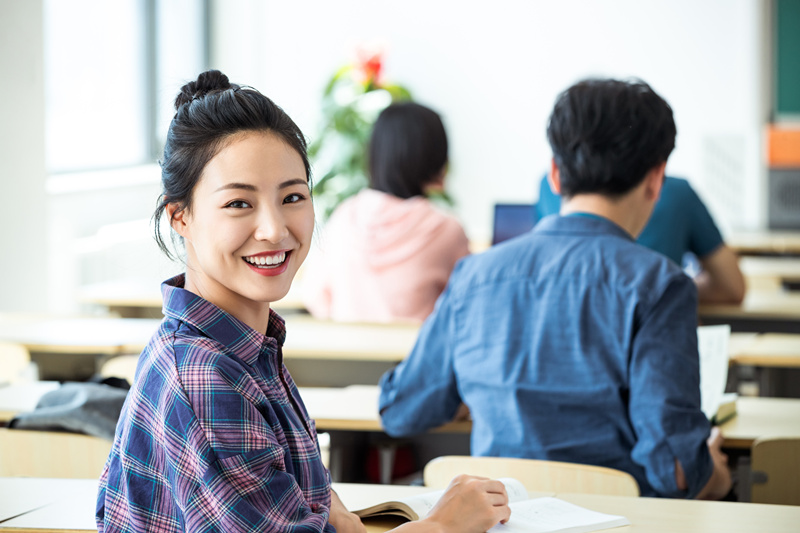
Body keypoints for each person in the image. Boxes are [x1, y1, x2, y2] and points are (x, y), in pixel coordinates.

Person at [95, 70, 511, 533]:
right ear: (181, 216)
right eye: (238, 203)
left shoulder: (245, 346)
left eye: (292, 196)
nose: (274, 229)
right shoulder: (204, 376)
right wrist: (445, 525)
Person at [379, 78, 733, 500]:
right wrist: (719, 475)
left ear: (555, 174)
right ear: (656, 179)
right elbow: (674, 469)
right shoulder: (660, 284)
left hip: (502, 521)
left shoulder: (475, 275)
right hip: (618, 524)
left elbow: (400, 409)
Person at [302, 102, 469, 323]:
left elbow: (316, 298)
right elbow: (468, 304)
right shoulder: (445, 229)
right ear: (435, 157)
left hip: (346, 353)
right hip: (416, 355)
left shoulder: (344, 215)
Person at [536, 174, 746, 305]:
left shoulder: (547, 189)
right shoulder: (677, 194)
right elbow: (731, 287)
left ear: (555, 172)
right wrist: (672, 290)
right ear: (655, 177)